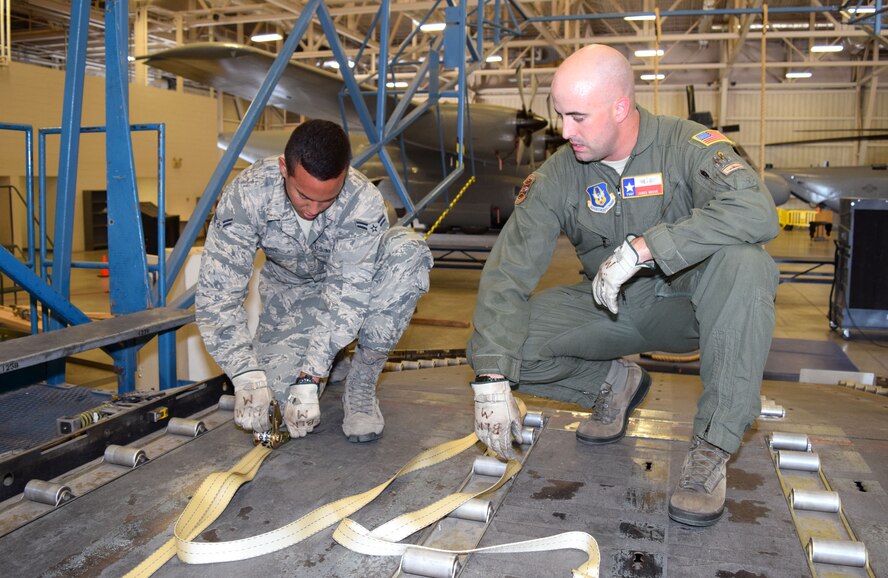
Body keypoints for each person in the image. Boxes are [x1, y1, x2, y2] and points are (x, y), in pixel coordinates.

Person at [468, 44, 779, 527]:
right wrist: (490, 381)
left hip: (691, 308)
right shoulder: (559, 176)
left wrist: (647, 247)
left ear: (620, 106)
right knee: (500, 346)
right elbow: (508, 271)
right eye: (560, 116)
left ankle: (711, 450)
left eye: (577, 117)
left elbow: (756, 212)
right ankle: (612, 385)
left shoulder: (685, 147)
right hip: (609, 308)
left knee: (747, 263)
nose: (565, 132)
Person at [196, 120, 433, 443]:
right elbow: (218, 295)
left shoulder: (362, 200)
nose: (313, 210)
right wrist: (245, 373)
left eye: (327, 200)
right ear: (284, 168)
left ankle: (361, 380)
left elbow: (348, 295)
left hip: (352, 293)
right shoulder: (248, 193)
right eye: (303, 196)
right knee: (275, 409)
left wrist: (311, 374)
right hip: (291, 296)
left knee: (409, 252)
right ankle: (336, 359)